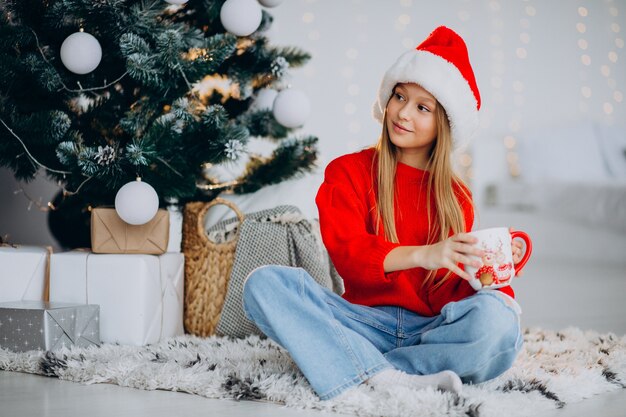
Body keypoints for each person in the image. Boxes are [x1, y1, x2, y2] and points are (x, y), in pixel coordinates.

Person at [242, 26, 526, 400]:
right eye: (399, 97)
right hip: (362, 323)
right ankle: (395, 373)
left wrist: (501, 262)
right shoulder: (348, 171)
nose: (403, 113)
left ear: (444, 123)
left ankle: (374, 370)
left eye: (422, 107)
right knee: (264, 284)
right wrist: (425, 254)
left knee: (500, 321)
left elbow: (455, 291)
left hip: (430, 329)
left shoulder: (456, 196)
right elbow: (349, 253)